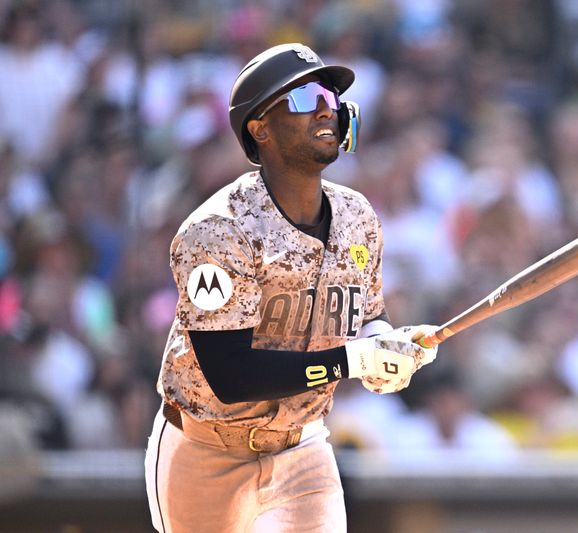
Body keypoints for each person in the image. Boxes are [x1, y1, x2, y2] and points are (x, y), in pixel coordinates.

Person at [143, 42, 438, 533]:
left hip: (302, 447)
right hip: (207, 450)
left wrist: (386, 344)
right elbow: (230, 375)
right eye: (304, 99)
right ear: (260, 128)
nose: (328, 107)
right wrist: (353, 361)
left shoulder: (358, 217)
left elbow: (367, 316)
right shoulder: (218, 230)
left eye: (331, 96)